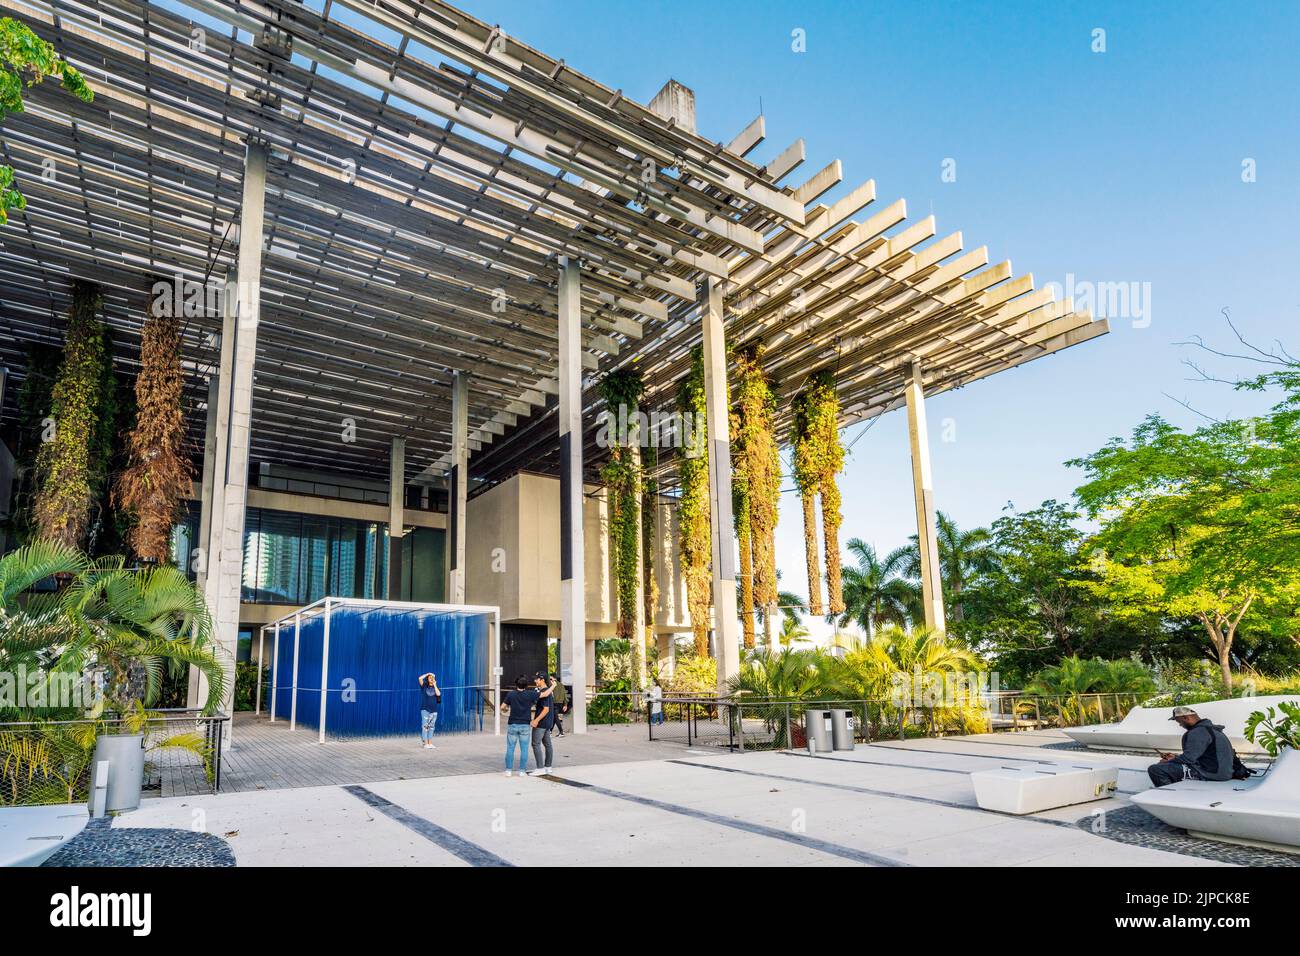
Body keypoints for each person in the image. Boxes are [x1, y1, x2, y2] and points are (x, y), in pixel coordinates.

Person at [1147, 706, 1238, 787]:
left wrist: (1171, 760)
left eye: (1180, 722)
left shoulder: (1198, 732)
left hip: (1211, 775)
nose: (1180, 725)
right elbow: (1200, 756)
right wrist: (1176, 757)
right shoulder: (1212, 729)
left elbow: (1189, 759)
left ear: (1186, 717)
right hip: (1224, 773)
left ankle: (1170, 796)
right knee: (1169, 765)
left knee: (1156, 769)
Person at [500, 673, 556, 777]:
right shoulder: (530, 694)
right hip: (525, 725)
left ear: (516, 684)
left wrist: (506, 709)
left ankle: (508, 770)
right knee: (524, 749)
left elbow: (502, 707)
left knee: (510, 748)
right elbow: (545, 694)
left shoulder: (511, 694)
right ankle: (522, 771)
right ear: (526, 685)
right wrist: (553, 686)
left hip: (512, 724)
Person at [529, 673, 555, 775]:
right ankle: (548, 766)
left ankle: (540, 768)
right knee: (547, 744)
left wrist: (536, 720)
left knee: (535, 744)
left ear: (542, 679)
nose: (535, 681)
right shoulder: (548, 691)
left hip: (541, 722)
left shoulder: (544, 692)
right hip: (548, 722)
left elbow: (546, 709)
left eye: (537, 679)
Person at [418, 672, 440, 749]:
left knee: (432, 727)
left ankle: (430, 743)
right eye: (429, 677)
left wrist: (435, 684)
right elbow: (420, 678)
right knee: (425, 726)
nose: (431, 678)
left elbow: (438, 694)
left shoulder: (435, 687)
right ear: (427, 679)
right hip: (425, 709)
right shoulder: (424, 686)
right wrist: (427, 674)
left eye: (432, 677)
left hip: (434, 710)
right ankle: (425, 743)